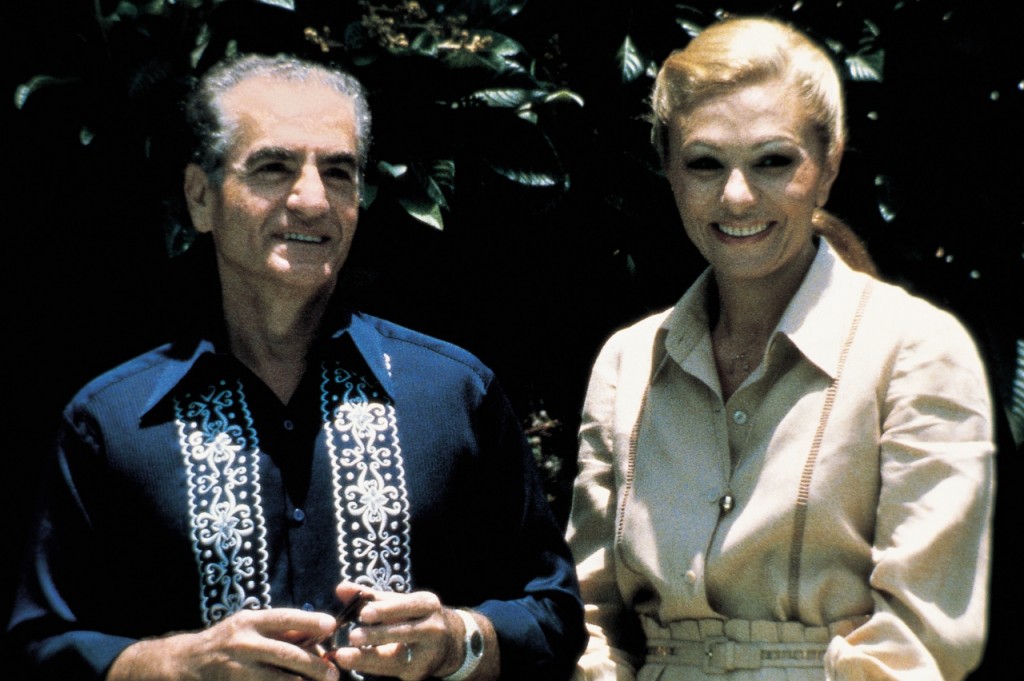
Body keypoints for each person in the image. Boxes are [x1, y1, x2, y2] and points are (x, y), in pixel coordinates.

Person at [5, 53, 585, 681]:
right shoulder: (111, 421)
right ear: (200, 197)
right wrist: (176, 663)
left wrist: (456, 641)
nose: (312, 200)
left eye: (338, 172)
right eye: (274, 167)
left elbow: (554, 616)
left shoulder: (452, 395)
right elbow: (37, 648)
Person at [565, 15, 994, 681]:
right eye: (705, 163)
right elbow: (592, 619)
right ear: (668, 171)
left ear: (829, 165)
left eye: (773, 161)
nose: (736, 196)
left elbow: (920, 641)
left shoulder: (918, 351)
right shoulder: (626, 364)